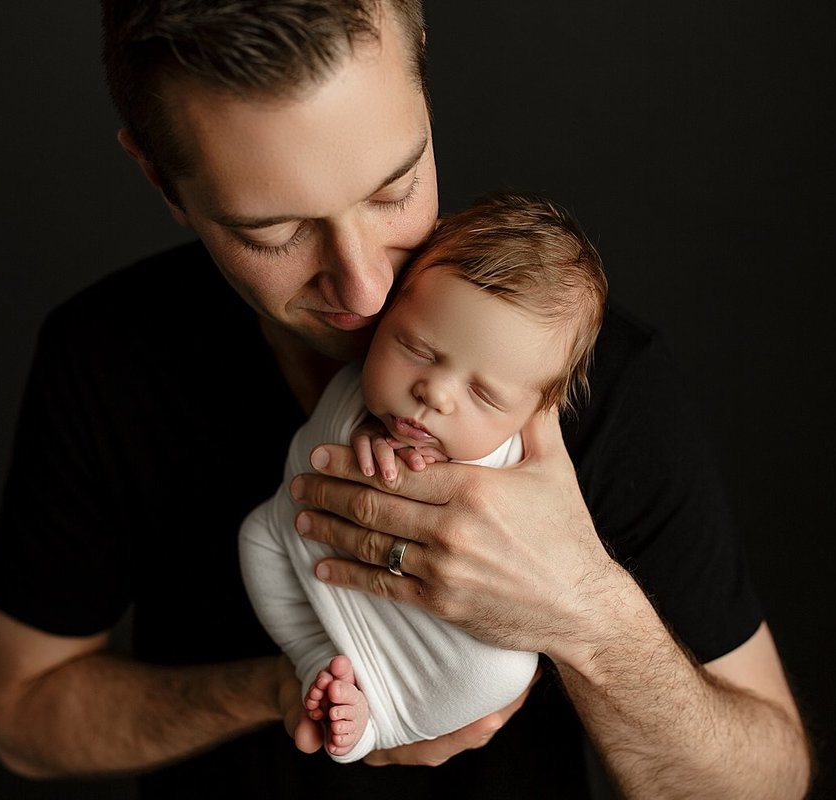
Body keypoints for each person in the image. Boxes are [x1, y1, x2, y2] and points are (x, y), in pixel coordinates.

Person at [0, 2, 814, 798]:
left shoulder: (598, 374)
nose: (368, 287)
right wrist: (293, 686)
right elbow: (25, 719)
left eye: (395, 190)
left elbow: (766, 786)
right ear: (160, 177)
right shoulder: (104, 355)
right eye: (274, 233)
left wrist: (588, 614)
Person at [239, 190, 607, 763]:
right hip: (306, 548)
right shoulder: (359, 381)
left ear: (534, 412)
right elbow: (336, 426)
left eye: (482, 394)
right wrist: (363, 433)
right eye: (414, 348)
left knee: (502, 674)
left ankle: (379, 722)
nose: (433, 393)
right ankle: (317, 660)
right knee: (258, 538)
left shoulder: (515, 460)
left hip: (434, 635)